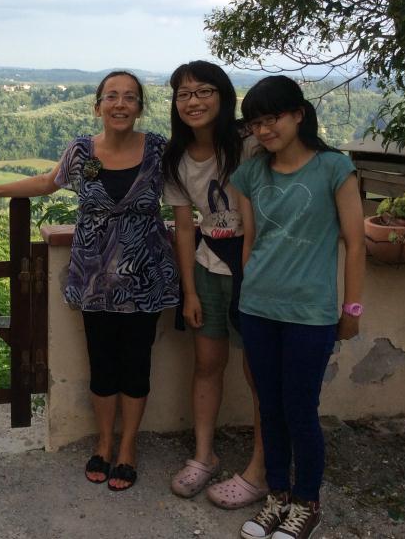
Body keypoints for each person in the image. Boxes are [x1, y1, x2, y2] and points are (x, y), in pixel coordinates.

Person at [0, 71, 180, 492]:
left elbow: (190, 188)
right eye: (111, 96)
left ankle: (127, 447)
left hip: (145, 278)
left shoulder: (159, 149)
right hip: (94, 279)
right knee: (102, 364)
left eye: (130, 97)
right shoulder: (82, 151)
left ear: (140, 107)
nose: (120, 104)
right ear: (97, 106)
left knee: (137, 365)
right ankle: (103, 443)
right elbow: (47, 183)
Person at [230, 76, 364, 539]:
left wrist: (352, 309)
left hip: (310, 312)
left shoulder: (334, 168)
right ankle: (277, 497)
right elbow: (251, 241)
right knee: (269, 408)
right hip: (258, 308)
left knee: (300, 409)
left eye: (274, 118)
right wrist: (248, 293)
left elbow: (355, 243)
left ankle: (307, 503)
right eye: (256, 123)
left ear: (298, 114)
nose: (265, 130)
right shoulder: (251, 174)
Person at [162, 61, 268, 509]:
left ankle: (262, 467)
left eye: (204, 91)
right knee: (206, 363)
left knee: (259, 372)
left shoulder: (248, 144)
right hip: (208, 267)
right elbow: (185, 227)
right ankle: (204, 455)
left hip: (256, 268)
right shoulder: (177, 158)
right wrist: (189, 291)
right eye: (184, 94)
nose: (194, 101)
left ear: (223, 96)